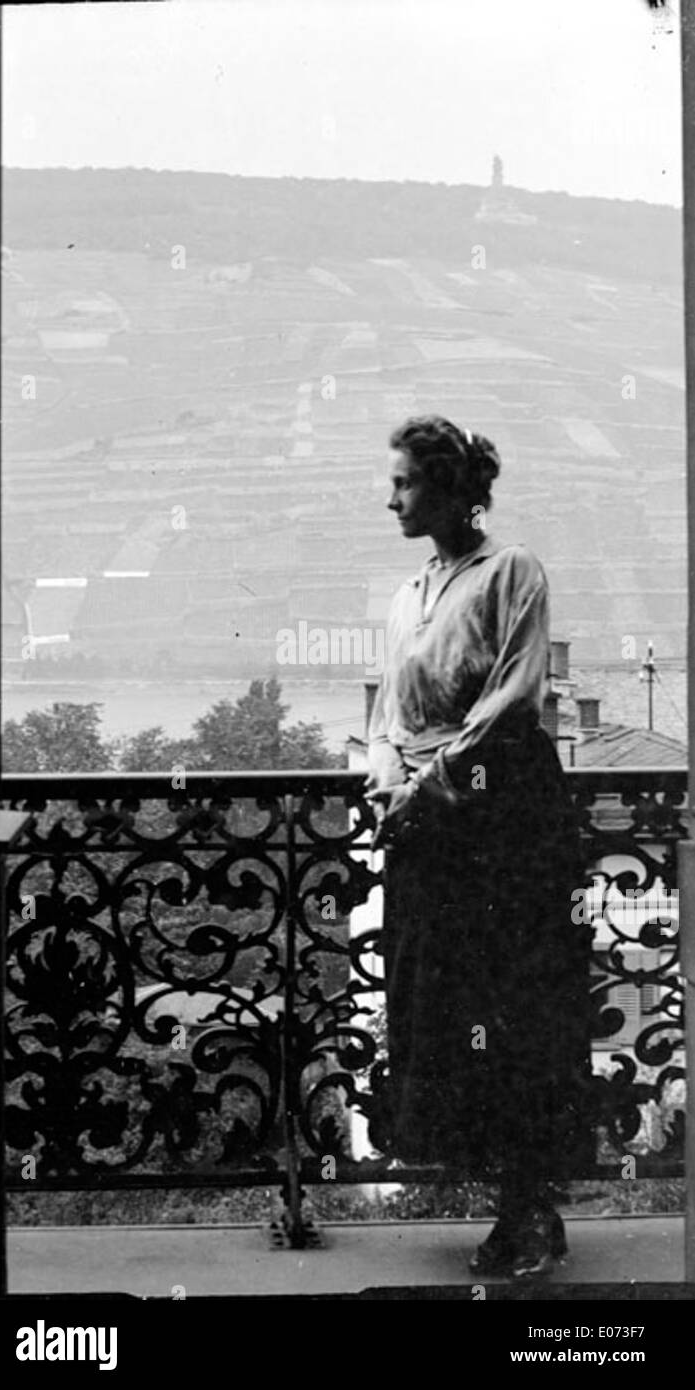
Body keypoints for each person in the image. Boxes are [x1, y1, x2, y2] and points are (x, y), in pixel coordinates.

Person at [365, 415, 593, 1279]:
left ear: (454, 489)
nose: (391, 499)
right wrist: (390, 778)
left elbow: (514, 691)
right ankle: (512, 1199)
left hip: (505, 818)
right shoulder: (406, 595)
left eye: (405, 484)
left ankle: (529, 1209)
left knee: (517, 1007)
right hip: (431, 828)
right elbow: (389, 717)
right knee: (447, 1011)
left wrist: (434, 777)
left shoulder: (510, 573)